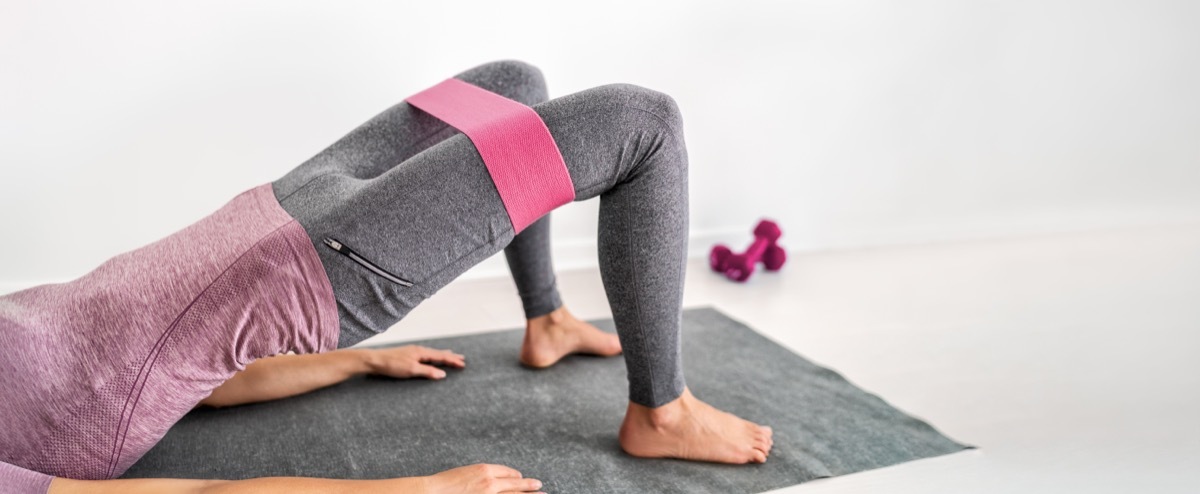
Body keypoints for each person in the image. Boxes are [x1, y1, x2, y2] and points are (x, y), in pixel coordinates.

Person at [0, 60, 773, 494]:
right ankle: (661, 414)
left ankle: (548, 319)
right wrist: (414, 491)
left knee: (511, 85)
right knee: (642, 124)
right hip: (313, 268)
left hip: (276, 206)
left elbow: (179, 371)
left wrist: (357, 362)